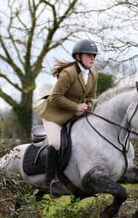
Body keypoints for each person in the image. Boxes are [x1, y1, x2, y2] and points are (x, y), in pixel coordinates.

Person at [33, 39, 99, 197]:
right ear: (78, 56)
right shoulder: (68, 73)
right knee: (55, 143)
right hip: (54, 115)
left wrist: (89, 105)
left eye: (94, 56)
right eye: (89, 55)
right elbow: (55, 97)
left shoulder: (93, 75)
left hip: (74, 115)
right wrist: (77, 107)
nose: (92, 58)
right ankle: (49, 181)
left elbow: (91, 96)